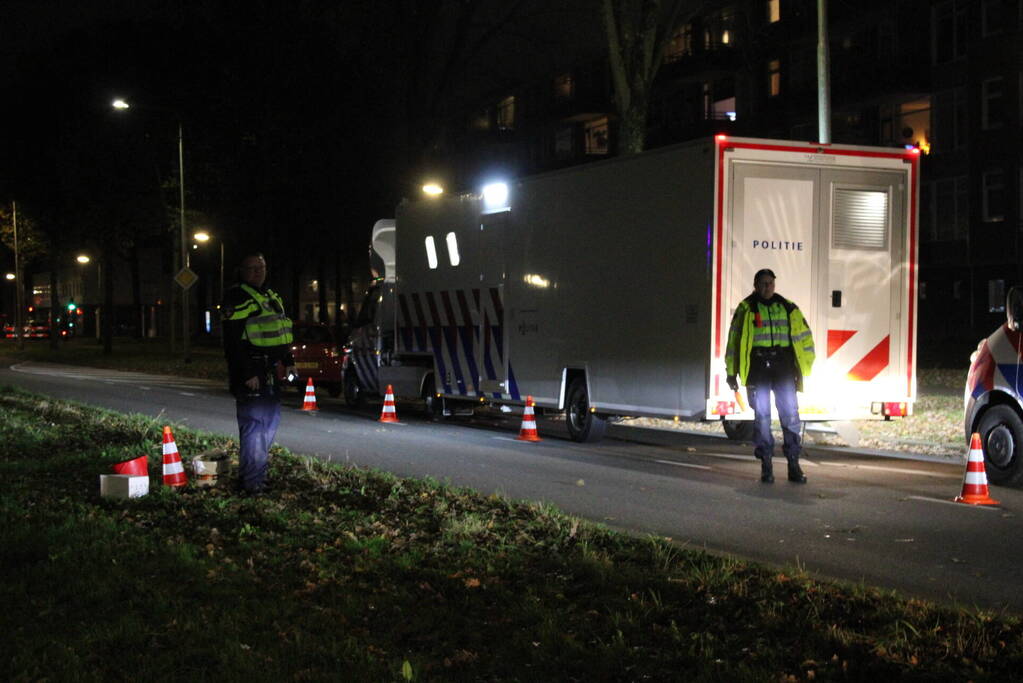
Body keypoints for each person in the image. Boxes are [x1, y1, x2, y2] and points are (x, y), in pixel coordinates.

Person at [725, 269, 815, 483]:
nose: (767, 287)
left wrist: (805, 368)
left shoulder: (787, 307)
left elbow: (805, 339)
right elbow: (734, 343)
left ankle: (794, 464)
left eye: (770, 283)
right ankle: (767, 465)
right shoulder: (746, 309)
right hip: (758, 369)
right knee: (762, 419)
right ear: (755, 285)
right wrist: (731, 372)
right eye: (763, 284)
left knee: (791, 417)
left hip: (783, 367)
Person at [222, 252, 296, 494]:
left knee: (267, 428)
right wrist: (246, 373)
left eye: (261, 267)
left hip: (271, 372)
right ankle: (252, 484)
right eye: (252, 268)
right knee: (255, 429)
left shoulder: (270, 296)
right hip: (252, 372)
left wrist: (289, 360)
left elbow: (281, 331)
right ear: (241, 270)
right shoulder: (237, 296)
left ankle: (255, 477)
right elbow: (232, 341)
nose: (257, 272)